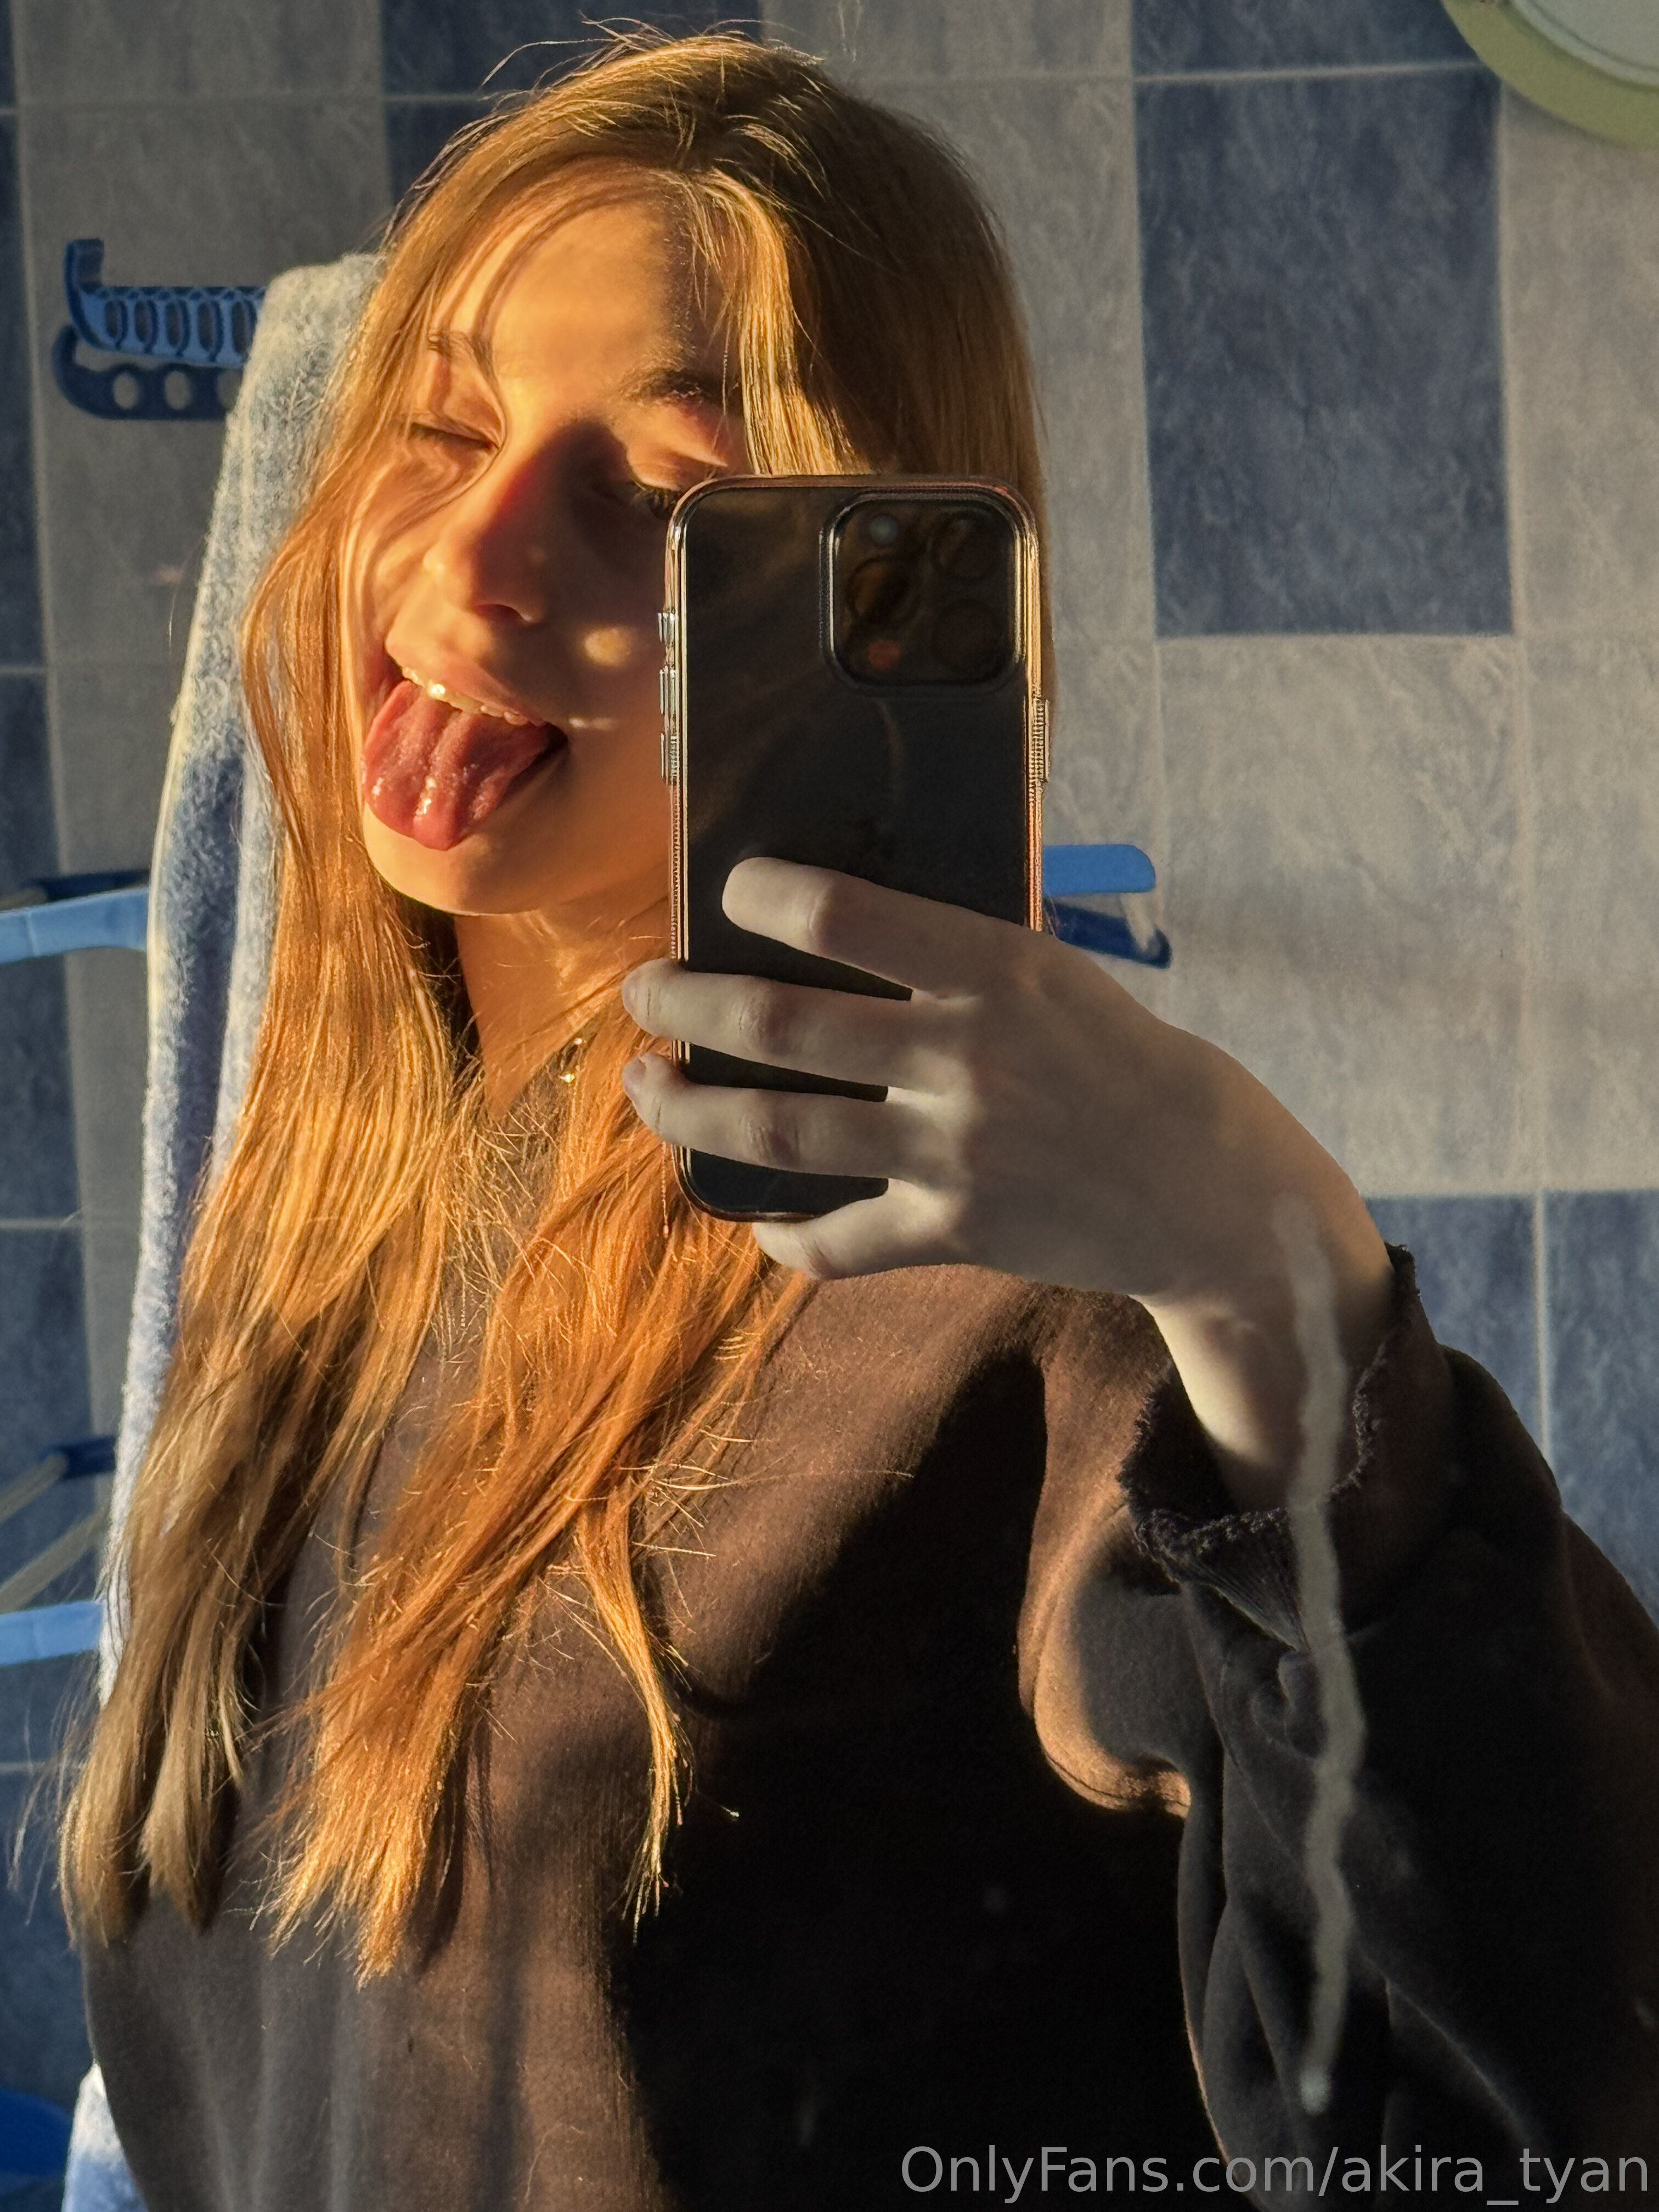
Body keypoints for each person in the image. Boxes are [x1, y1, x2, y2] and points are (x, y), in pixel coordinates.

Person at [60, 32, 1659, 2211]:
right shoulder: (330, 1233)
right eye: (439, 429)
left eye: (659, 504)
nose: (478, 557)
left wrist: (1268, 1270)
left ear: (852, 604)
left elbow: (1489, 2135)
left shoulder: (1016, 1306)